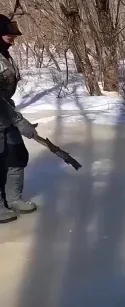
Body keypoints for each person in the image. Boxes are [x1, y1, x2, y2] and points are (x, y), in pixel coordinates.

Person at [0, 14, 39, 223]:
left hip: (7, 115)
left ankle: (13, 198)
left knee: (16, 155)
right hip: (4, 115)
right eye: (8, 34)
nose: (13, 38)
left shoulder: (5, 55)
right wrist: (18, 120)